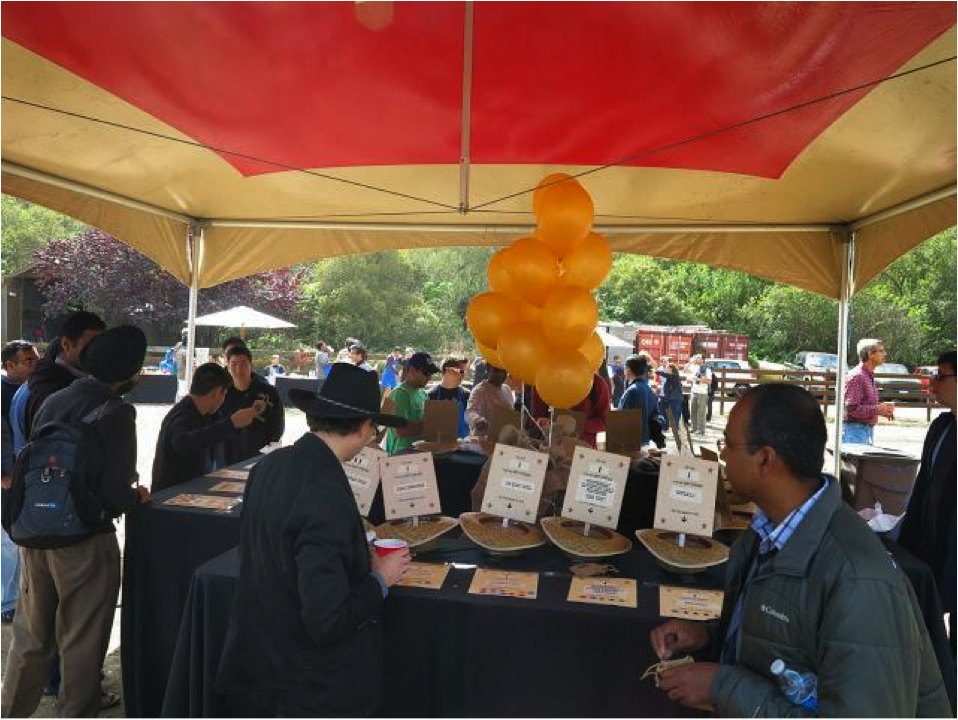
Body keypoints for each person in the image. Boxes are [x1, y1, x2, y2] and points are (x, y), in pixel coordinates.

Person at [649, 383, 950, 717]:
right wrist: (709, 636)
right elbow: (791, 641)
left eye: (728, 444)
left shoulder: (858, 581)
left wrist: (723, 687)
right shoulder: (768, 532)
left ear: (765, 459)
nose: (722, 455)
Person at [216, 363, 411, 717]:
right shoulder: (325, 492)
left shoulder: (268, 466)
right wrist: (379, 579)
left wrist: (353, 558)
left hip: (260, 665)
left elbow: (280, 555)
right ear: (365, 428)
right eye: (375, 427)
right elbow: (328, 619)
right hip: (307, 685)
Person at [1, 325, 152, 719]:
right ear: (131, 371)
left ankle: (10, 711)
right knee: (81, 643)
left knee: (30, 639)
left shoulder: (54, 398)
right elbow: (114, 492)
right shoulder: (117, 411)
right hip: (84, 541)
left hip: (36, 531)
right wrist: (135, 496)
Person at [896, 350, 957, 664]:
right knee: (924, 629)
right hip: (933, 548)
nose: (933, 384)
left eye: (941, 376)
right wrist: (906, 544)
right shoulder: (942, 427)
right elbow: (923, 487)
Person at [151, 363, 262, 493]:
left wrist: (235, 422)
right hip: (169, 496)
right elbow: (183, 442)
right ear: (217, 392)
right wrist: (231, 423)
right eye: (225, 393)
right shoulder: (184, 415)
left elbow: (213, 431)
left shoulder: (202, 413)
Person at [10, 311, 106, 445]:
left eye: (101, 346)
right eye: (91, 346)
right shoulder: (50, 390)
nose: (98, 352)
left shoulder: (41, 378)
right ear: (66, 344)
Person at [1, 340, 39, 624]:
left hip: (23, 474)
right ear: (9, 365)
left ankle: (16, 598)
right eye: (29, 361)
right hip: (7, 476)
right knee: (7, 541)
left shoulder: (31, 389)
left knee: (18, 539)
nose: (35, 365)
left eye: (36, 359)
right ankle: (7, 602)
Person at [217, 345, 284, 464]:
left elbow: (277, 427)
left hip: (259, 458)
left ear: (251, 365)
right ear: (227, 367)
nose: (239, 369)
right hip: (227, 458)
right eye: (233, 364)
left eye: (243, 364)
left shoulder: (269, 392)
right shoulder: (222, 393)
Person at [530, 370, 611, 448]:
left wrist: (579, 424)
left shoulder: (597, 383)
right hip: (552, 448)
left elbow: (605, 423)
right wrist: (543, 422)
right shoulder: (543, 379)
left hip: (583, 450)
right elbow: (537, 418)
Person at [384, 351, 439, 454]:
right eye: (426, 373)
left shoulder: (423, 394)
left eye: (431, 374)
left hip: (419, 452)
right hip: (401, 455)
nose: (429, 378)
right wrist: (429, 424)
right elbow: (400, 431)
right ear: (412, 371)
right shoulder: (399, 394)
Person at [843, 337, 895, 445]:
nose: (885, 354)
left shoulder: (867, 375)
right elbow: (851, 409)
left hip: (862, 431)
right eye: (881, 351)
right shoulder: (858, 376)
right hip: (855, 432)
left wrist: (882, 411)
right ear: (870, 354)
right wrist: (877, 409)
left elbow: (863, 405)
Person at [617, 355, 657, 447]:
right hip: (645, 440)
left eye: (625, 367)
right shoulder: (649, 389)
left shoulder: (631, 391)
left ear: (628, 370)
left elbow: (621, 418)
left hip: (631, 442)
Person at [466, 363, 515, 438]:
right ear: (488, 368)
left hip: (503, 440)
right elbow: (470, 412)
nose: (501, 374)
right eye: (497, 370)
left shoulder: (507, 389)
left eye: (504, 371)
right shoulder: (480, 390)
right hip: (483, 440)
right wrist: (477, 420)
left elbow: (510, 414)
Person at [427, 357, 471, 439]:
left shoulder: (467, 395)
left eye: (464, 372)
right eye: (460, 371)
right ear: (447, 370)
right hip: (438, 443)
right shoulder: (431, 395)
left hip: (462, 443)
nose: (463, 375)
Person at [686, 354, 711, 435]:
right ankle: (694, 428)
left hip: (702, 393)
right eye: (696, 358)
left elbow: (709, 381)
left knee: (701, 412)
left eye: (698, 358)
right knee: (693, 411)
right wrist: (690, 362)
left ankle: (701, 430)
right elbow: (684, 370)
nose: (696, 359)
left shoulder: (707, 369)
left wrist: (699, 379)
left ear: (702, 360)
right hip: (694, 391)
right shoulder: (694, 367)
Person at [656, 361, 684, 432]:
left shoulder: (674, 376)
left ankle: (676, 431)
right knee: (674, 416)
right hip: (673, 399)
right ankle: (675, 430)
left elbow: (664, 374)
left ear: (671, 369)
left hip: (676, 399)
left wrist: (657, 371)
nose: (666, 369)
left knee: (675, 416)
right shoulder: (671, 377)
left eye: (667, 368)